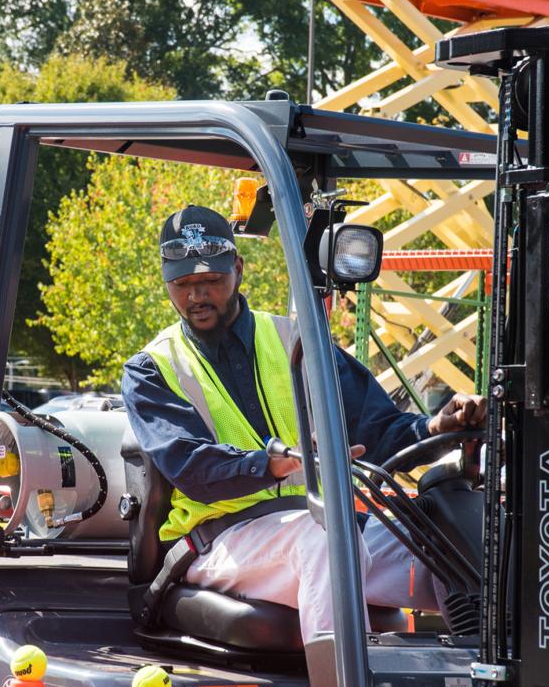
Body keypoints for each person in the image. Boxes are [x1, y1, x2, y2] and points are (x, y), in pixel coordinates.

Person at [121, 204, 485, 644]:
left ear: (237, 268)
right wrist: (279, 465)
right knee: (325, 542)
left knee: (451, 542)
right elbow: (191, 467)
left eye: (211, 281)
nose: (197, 296)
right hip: (219, 541)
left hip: (314, 524)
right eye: (183, 285)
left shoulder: (296, 342)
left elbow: (377, 431)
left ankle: (477, 685)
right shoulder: (152, 368)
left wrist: (435, 430)